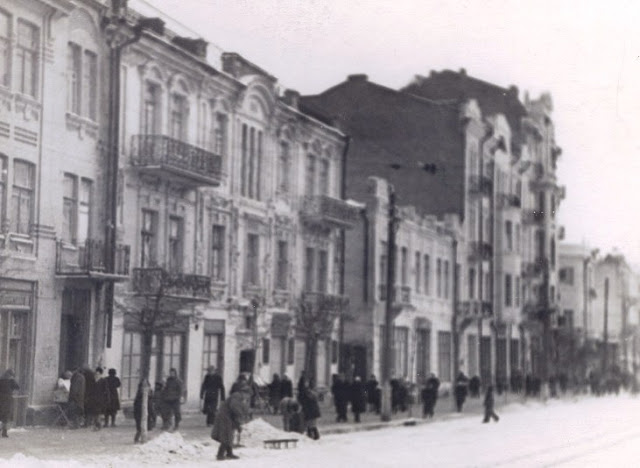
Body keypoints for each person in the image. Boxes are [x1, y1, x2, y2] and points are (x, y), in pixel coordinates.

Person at [211, 381, 251, 460]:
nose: (248, 397)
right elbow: (235, 408)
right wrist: (240, 415)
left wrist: (239, 423)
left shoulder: (240, 397)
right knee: (226, 435)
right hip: (225, 417)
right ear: (244, 392)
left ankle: (229, 453)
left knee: (230, 435)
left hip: (230, 417)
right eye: (248, 395)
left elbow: (239, 410)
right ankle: (220, 454)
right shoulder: (237, 396)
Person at [0, 370, 19, 438]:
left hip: (1, 399)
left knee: (2, 415)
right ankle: (4, 432)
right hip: (7, 400)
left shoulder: (1, 380)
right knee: (5, 416)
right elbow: (17, 387)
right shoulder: (11, 381)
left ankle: (3, 430)